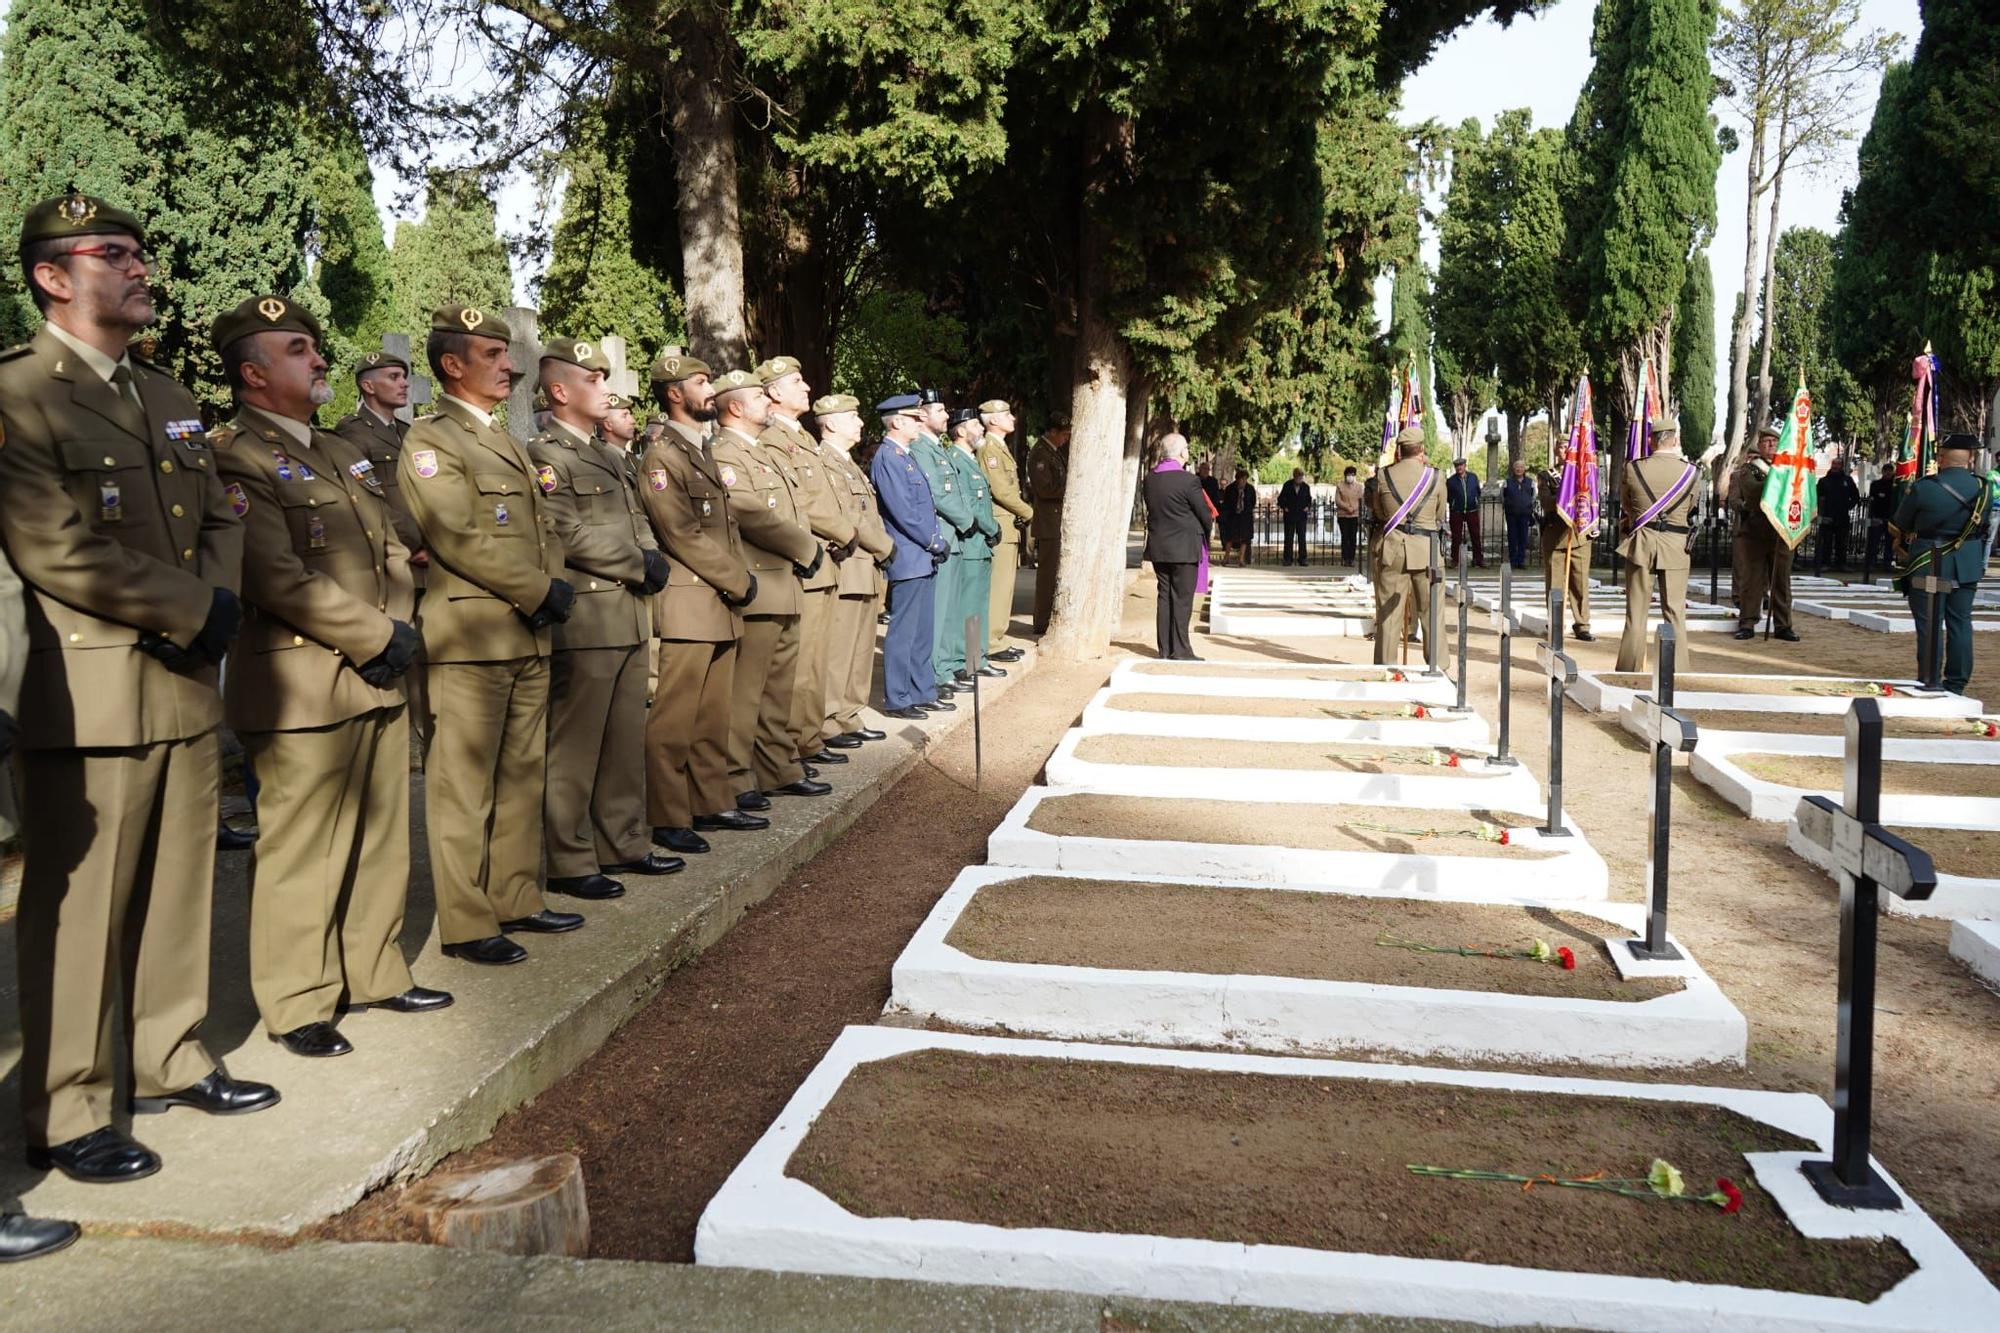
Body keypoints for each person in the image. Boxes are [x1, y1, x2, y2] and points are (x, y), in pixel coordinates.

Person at [0, 191, 278, 1183]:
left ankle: (168, 1054)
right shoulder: (20, 391)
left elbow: (223, 512)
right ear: (52, 275)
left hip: (181, 682)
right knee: (76, 916)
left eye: (140, 253)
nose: (140, 268)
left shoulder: (166, 397)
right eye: (114, 253)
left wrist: (210, 605)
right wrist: (186, 608)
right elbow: (51, 547)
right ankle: (66, 1107)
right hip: (91, 691)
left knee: (177, 888)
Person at [208, 296, 444, 1060]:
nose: (318, 359)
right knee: (301, 849)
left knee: (381, 836)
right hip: (300, 682)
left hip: (376, 668)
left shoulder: (341, 452)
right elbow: (270, 572)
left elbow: (387, 547)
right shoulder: (235, 453)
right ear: (252, 372)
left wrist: (396, 630)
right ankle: (299, 999)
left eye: (315, 346)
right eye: (298, 348)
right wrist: (378, 632)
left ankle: (374, 970)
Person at [400, 304, 580, 966]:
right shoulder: (431, 438)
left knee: (521, 773)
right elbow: (456, 534)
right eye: (493, 355)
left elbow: (543, 527)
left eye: (507, 354)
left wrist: (549, 588)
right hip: (471, 636)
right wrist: (538, 590)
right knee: (463, 786)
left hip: (526, 631)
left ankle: (517, 896)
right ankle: (469, 920)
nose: (510, 365)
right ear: (452, 365)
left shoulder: (502, 436)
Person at [527, 338, 681, 904]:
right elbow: (563, 530)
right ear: (561, 391)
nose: (605, 389)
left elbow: (637, 517)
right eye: (592, 381)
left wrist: (650, 555)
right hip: (589, 616)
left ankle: (624, 841)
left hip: (628, 611)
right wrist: (635, 561)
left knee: (622, 738)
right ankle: (569, 858)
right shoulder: (547, 455)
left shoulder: (610, 456)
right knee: (576, 744)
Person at [636, 351, 760, 855]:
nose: (711, 390)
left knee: (712, 715)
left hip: (719, 601)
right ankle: (667, 814)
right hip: (692, 601)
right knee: (675, 718)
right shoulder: (662, 455)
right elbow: (681, 534)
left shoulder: (701, 449)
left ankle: (710, 800)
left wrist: (734, 582)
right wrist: (739, 579)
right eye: (702, 382)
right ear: (674, 393)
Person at [709, 368, 829, 805]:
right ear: (736, 407)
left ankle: (777, 767)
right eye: (759, 397)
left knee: (778, 690)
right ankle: (736, 776)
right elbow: (748, 511)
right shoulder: (725, 453)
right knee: (746, 694)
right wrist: (806, 547)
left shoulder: (763, 452)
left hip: (786, 583)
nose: (768, 403)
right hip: (760, 583)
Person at [756, 356, 857, 771]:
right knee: (801, 665)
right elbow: (807, 504)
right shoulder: (774, 441)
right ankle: (795, 743)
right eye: (797, 382)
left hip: (823, 559)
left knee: (817, 660)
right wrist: (846, 533)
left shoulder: (799, 439)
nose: (807, 388)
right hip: (808, 560)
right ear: (775, 392)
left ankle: (809, 737)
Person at [812, 394, 895, 746]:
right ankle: (829, 719)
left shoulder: (847, 464)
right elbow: (846, 516)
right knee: (839, 650)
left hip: (866, 566)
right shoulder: (822, 461)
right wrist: (885, 546)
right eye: (852, 417)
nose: (861, 423)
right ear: (830, 423)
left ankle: (849, 713)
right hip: (848, 563)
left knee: (860, 649)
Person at [871, 394, 952, 717]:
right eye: (915, 418)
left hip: (922, 555)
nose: (921, 422)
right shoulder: (888, 457)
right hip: (908, 555)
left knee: (922, 631)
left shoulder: (905, 455)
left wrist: (932, 545)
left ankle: (921, 690)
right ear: (897, 422)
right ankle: (898, 697)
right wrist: (935, 542)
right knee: (904, 632)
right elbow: (903, 512)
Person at [1891, 434, 1989, 694]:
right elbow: (1984, 525)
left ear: (1942, 458)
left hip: (1929, 561)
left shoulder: (1925, 487)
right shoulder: (1984, 489)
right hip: (1967, 562)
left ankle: (1930, 677)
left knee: (1930, 623)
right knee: (1960, 623)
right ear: (1970, 458)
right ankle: (1956, 683)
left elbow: (1901, 522)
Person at [1614, 421, 1700, 673]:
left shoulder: (1633, 469)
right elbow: (1691, 507)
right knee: (1675, 613)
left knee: (1636, 613)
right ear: (1674, 440)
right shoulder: (1691, 472)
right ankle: (1678, 671)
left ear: (1651, 441)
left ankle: (1629, 670)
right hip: (1676, 546)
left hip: (1642, 544)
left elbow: (1628, 506)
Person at [909, 390, 976, 694]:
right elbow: (938, 493)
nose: (947, 416)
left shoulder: (939, 447)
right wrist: (967, 520)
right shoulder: (921, 448)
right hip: (944, 534)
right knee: (940, 610)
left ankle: (947, 665)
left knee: (952, 609)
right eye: (940, 410)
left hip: (956, 536)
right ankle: (938, 669)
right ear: (921, 415)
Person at [1370, 428, 1446, 665]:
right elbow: (1439, 514)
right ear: (1422, 449)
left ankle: (1386, 667)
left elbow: (1380, 513)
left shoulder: (1383, 476)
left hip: (1393, 549)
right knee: (1432, 612)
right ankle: (1437, 667)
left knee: (1389, 615)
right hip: (1427, 550)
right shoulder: (1436, 476)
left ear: (1399, 450)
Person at [947, 408, 1005, 680]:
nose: (981, 429)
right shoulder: (956, 460)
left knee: (979, 606)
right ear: (960, 431)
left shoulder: (969, 459)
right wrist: (993, 527)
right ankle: (968, 660)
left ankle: (978, 658)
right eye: (974, 425)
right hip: (971, 544)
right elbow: (969, 504)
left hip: (980, 545)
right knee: (969, 607)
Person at [1143, 434, 1212, 660]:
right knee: (1182, 599)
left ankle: (1165, 649)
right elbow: (1205, 514)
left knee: (1165, 597)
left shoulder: (1150, 479)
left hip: (1160, 547)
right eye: (1187, 449)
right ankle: (1181, 650)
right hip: (1184, 548)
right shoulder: (1188, 481)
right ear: (1182, 453)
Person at [1732, 424, 1798, 641]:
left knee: (1781, 581)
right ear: (1759, 446)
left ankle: (1783, 625)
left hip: (1781, 532)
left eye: (1774, 442)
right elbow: (1752, 492)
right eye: (1765, 442)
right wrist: (1779, 480)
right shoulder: (1749, 470)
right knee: (1752, 581)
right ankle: (1748, 623)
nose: (1770, 445)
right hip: (1754, 532)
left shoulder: (1790, 471)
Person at [976, 400, 1030, 661]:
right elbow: (1001, 490)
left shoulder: (999, 447)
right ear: (993, 420)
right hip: (999, 523)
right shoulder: (990, 449)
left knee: (1005, 585)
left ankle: (997, 636)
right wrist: (1027, 511)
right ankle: (990, 642)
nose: (1013, 419)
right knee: (997, 586)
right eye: (1007, 415)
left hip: (1008, 524)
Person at [1537, 464, 1594, 641]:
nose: (1565, 450)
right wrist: (1568, 496)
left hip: (1579, 535)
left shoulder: (1585, 472)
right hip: (1555, 535)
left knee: (1580, 583)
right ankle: (1556, 623)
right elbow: (1546, 502)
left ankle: (1582, 625)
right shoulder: (1546, 475)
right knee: (1555, 584)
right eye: (1561, 447)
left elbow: (1592, 499)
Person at [1027, 420, 1069, 632]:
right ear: (1051, 431)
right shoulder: (1040, 453)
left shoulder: (1053, 451)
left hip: (1056, 519)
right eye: (1063, 434)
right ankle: (1042, 621)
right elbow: (1044, 489)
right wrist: (1070, 489)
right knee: (1048, 574)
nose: (1065, 438)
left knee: (1055, 573)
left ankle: (1048, 618)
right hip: (1048, 520)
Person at [1816, 459, 1860, 572]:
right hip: (1827, 517)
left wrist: (1848, 506)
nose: (1835, 466)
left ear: (1842, 466)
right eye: (1834, 464)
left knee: (1842, 543)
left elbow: (1855, 496)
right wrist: (1821, 512)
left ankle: (1841, 564)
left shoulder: (1848, 480)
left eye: (1838, 464)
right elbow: (1817, 498)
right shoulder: (1823, 481)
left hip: (1842, 517)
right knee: (1826, 542)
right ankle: (1825, 563)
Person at [1445, 457, 1485, 568]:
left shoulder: (1473, 477)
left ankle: (1478, 559)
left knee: (1475, 535)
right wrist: (1453, 503)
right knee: (1456, 537)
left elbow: (1477, 491)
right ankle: (1455, 560)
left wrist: (1475, 500)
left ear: (1465, 466)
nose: (1459, 468)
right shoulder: (1451, 481)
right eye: (1457, 466)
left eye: (1461, 465)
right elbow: (1448, 496)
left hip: (1472, 510)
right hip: (1456, 511)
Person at [1501, 458, 1536, 570]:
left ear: (1524, 469)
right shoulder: (1507, 482)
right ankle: (1513, 560)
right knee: (1512, 538)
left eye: (1521, 467)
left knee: (1523, 538)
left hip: (1525, 514)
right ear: (1513, 469)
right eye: (1517, 467)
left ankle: (1521, 560)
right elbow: (1502, 496)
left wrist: (1528, 505)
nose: (1519, 469)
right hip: (1511, 514)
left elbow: (1533, 496)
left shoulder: (1531, 482)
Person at [1220, 467, 1257, 564]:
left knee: (1244, 538)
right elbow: (1227, 502)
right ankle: (1226, 557)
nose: (1244, 481)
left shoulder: (1250, 489)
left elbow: (1253, 502)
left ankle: (1241, 559)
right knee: (1230, 538)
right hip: (1233, 516)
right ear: (1237, 479)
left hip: (1245, 516)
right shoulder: (1230, 489)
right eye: (1242, 479)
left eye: (1245, 479)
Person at [1277, 467, 1311, 565]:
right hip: (1290, 514)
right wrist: (1284, 507)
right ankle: (1288, 559)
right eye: (1298, 477)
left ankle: (1303, 559)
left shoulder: (1305, 487)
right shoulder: (1287, 485)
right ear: (1294, 476)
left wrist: (1307, 507)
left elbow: (1309, 499)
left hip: (1301, 515)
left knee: (1302, 538)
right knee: (1288, 538)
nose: (1299, 479)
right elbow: (1280, 499)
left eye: (1301, 477)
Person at [1865, 467, 1897, 570]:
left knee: (1890, 543)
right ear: (1883, 472)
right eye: (1886, 470)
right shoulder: (1875, 485)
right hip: (1878, 518)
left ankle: (1887, 563)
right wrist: (1873, 516)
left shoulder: (1896, 486)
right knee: (1873, 542)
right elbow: (1872, 502)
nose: (1888, 473)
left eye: (1890, 471)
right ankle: (1871, 563)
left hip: (1891, 519)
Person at [1334, 465, 1364, 565]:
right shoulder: (1340, 486)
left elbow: (1360, 500)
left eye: (1352, 475)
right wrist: (1347, 507)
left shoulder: (1359, 486)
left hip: (1354, 515)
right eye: (1348, 475)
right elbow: (1338, 500)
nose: (1349, 476)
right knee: (1345, 536)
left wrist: (1353, 508)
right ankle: (1345, 558)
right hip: (1343, 515)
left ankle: (1351, 558)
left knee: (1353, 537)